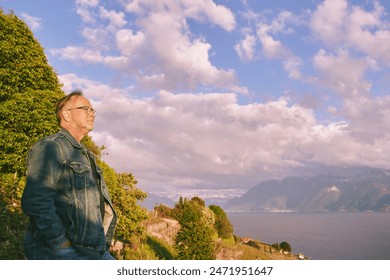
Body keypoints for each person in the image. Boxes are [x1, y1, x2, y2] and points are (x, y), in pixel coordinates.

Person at [21, 90, 117, 260]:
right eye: (85, 108)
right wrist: (60, 244)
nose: (92, 114)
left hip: (93, 250)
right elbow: (36, 201)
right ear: (66, 115)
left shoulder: (86, 155)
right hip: (63, 251)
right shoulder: (51, 147)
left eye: (92, 110)